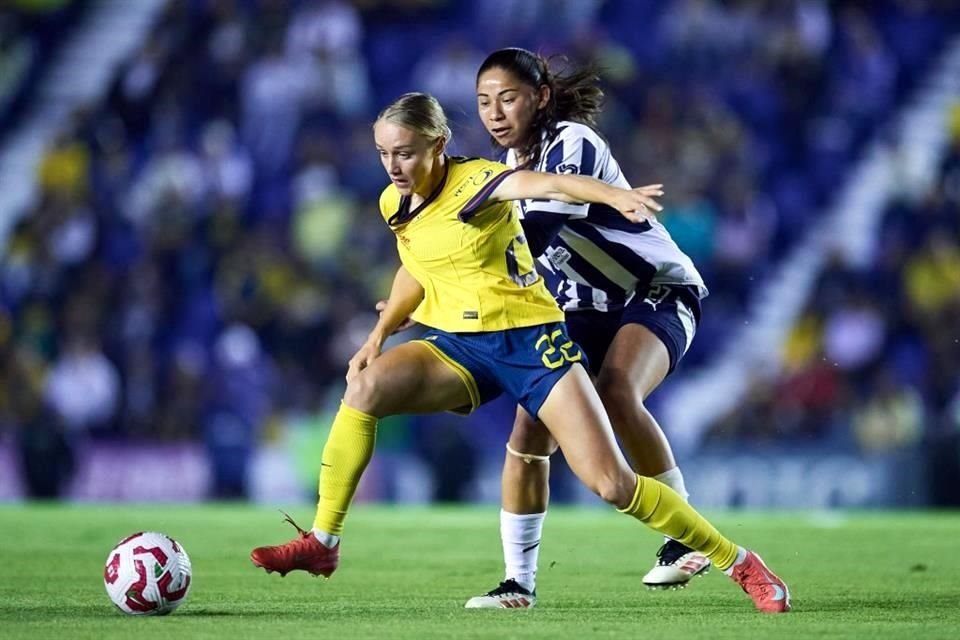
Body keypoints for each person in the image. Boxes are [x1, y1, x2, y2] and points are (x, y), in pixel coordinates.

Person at [250, 92, 791, 614]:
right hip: (460, 346)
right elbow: (415, 266)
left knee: (611, 483)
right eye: (384, 153)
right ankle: (324, 540)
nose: (393, 165)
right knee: (365, 388)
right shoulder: (397, 200)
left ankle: (740, 562)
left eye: (405, 152)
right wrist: (378, 335)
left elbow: (551, 182)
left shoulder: (481, 182)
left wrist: (613, 195)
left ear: (438, 144)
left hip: (531, 344)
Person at [463, 48, 712, 609]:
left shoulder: (572, 141)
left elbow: (544, 231)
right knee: (528, 433)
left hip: (655, 291)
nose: (495, 113)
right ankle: (518, 584)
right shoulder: (506, 172)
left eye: (508, 97)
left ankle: (682, 537)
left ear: (541, 97)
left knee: (616, 390)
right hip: (582, 306)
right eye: (483, 102)